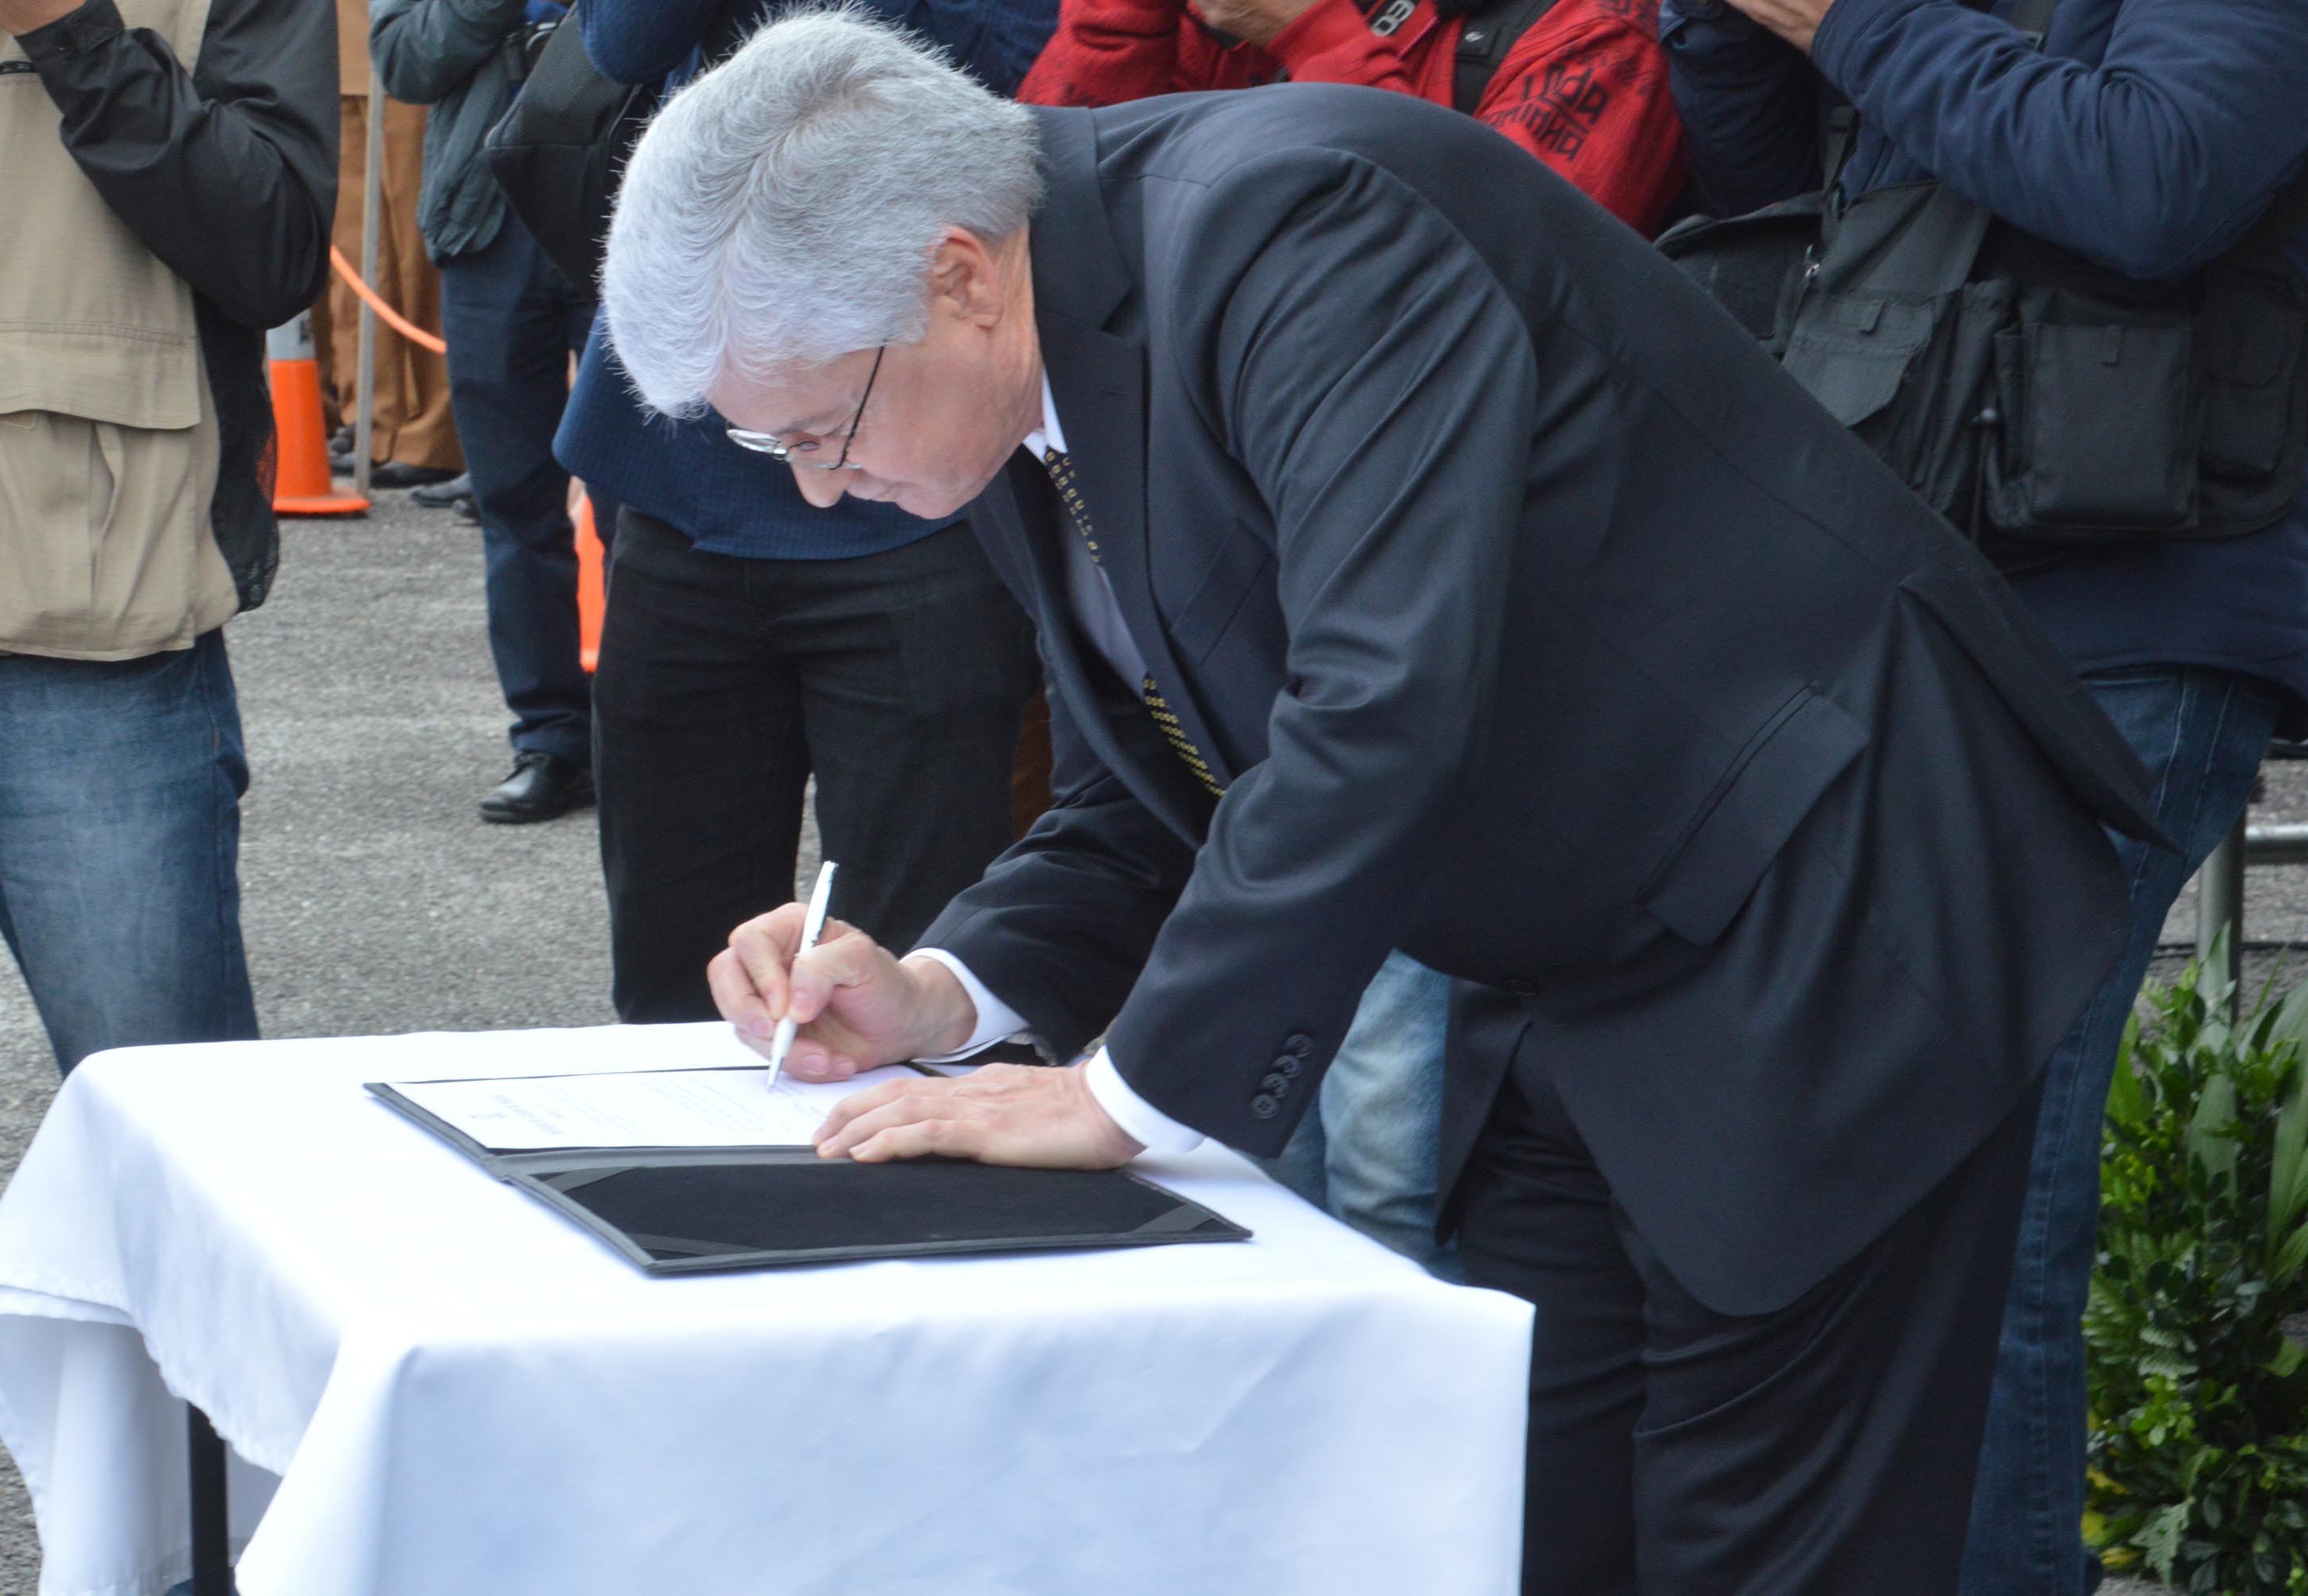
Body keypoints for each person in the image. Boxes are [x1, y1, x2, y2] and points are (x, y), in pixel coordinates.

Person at [604, 17, 2171, 1589]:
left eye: (817, 427)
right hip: (1589, 965)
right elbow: (1156, 781)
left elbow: (1379, 703)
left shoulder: (1300, 226)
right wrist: (946, 992)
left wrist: (1125, 1094)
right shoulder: (1016, 357)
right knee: (1521, 1521)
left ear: (955, 274)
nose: (816, 485)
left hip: (1828, 916)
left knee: (1758, 1545)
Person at [1657, 2, 2308, 1590]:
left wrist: (1842, 13)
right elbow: (1779, 192)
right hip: (1917, 582)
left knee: (1990, 1203)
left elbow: (2157, 176)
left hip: (2132, 605)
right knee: (1895, 1202)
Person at [1024, 0, 1690, 1274]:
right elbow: (1041, 220)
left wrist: (1311, 27)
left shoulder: (1594, 25)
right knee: (1247, 1173)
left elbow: (1458, 256)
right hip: (1245, 648)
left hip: (1449, 661)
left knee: (1396, 1178)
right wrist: (1122, 18)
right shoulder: (1218, 34)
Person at [0, 0, 337, 1583]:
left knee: (183, 1180)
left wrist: (76, 36)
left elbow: (274, 243)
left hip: (101, 652)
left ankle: (206, 1565)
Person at [562, 0, 1057, 1019]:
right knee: (679, 967)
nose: (812, 476)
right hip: (688, 465)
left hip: (922, 463)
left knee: (921, 945)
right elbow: (618, 40)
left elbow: (1031, 87)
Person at [371, 0, 622, 822]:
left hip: (628, 207)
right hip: (489, 220)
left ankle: (649, 737)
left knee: (643, 507)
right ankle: (550, 738)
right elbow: (404, 60)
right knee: (513, 502)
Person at [1021, 0, 1685, 234]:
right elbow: (1036, 223)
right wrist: (1121, 19)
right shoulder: (1210, 20)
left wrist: (1316, 40)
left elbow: (1494, 293)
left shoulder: (1610, 30)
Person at [318, 0, 463, 489]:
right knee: (357, 248)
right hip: (331, 35)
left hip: (410, 33)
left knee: (418, 241)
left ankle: (435, 432)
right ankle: (375, 416)